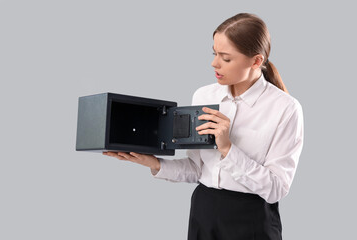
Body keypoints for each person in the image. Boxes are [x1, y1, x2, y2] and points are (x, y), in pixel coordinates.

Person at [103, 13, 303, 240]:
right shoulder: (204, 95)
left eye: (226, 58)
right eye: (214, 53)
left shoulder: (285, 109)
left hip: (253, 220)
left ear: (256, 61)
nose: (214, 63)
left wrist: (228, 149)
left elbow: (277, 188)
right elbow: (197, 169)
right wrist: (155, 163)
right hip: (203, 213)